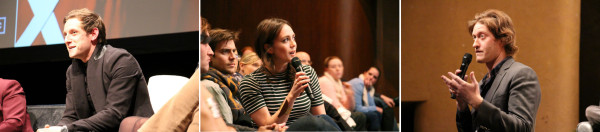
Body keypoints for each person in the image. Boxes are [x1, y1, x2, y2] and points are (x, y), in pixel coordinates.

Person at [440, 9, 541, 132]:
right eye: (474, 37)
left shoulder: (521, 74)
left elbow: (522, 128)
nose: (475, 44)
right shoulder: (483, 83)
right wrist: (462, 104)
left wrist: (477, 102)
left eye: (482, 36)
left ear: (503, 39)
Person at [58, 8, 153, 131]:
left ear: (93, 34)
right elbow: (71, 115)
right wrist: (57, 128)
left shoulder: (120, 60)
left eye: (74, 32)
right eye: (65, 34)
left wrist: (67, 129)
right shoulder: (72, 71)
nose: (67, 40)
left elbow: (114, 114)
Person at [238, 18, 339, 131]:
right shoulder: (251, 83)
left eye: (293, 38)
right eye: (285, 40)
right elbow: (269, 127)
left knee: (322, 120)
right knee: (312, 122)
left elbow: (321, 117)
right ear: (269, 48)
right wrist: (291, 97)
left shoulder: (306, 72)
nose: (293, 44)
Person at [202, 28, 254, 128]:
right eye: (225, 51)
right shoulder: (211, 86)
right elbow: (225, 128)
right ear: (211, 55)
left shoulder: (236, 80)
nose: (233, 57)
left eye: (234, 51)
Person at [318, 56, 368, 131]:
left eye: (340, 66)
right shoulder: (325, 81)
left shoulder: (338, 82)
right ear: (326, 69)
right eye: (333, 67)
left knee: (361, 116)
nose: (338, 69)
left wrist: (350, 94)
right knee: (361, 116)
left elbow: (349, 108)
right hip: (330, 116)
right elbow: (335, 107)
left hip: (340, 113)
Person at [348, 67, 398, 131]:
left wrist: (368, 88)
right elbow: (357, 108)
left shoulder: (370, 88)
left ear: (376, 81)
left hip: (358, 109)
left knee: (382, 112)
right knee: (375, 114)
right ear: (365, 73)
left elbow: (370, 104)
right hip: (349, 110)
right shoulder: (358, 83)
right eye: (370, 74)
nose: (371, 78)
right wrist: (376, 108)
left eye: (375, 77)